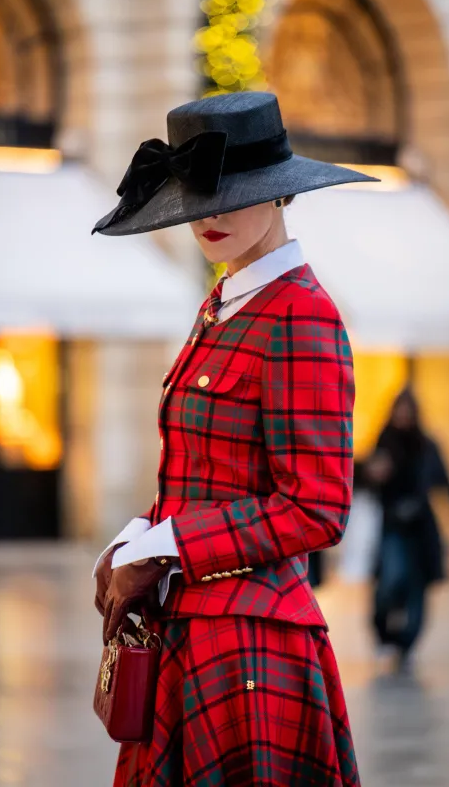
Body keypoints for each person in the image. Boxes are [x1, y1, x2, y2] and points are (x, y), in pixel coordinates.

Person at [91, 92, 375, 786]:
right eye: (196, 194)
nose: (208, 215)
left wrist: (174, 543)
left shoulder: (300, 314)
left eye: (232, 193)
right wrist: (145, 528)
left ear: (280, 196)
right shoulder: (224, 299)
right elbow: (206, 470)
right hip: (190, 629)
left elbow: (316, 508)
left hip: (254, 644)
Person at [364, 388, 449, 672]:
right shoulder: (384, 442)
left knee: (416, 589)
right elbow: (366, 479)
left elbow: (443, 479)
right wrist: (374, 475)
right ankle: (385, 634)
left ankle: (407, 644)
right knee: (391, 582)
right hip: (393, 526)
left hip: (422, 529)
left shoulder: (427, 445)